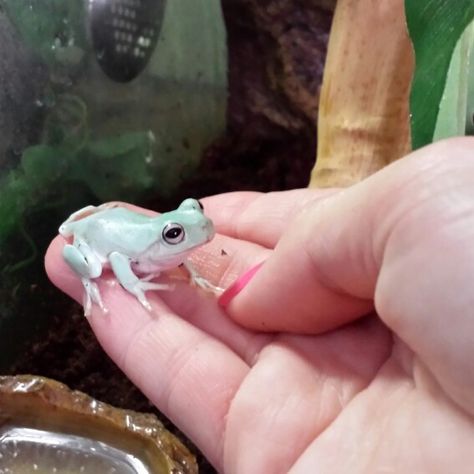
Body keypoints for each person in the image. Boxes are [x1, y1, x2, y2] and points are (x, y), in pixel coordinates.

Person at [46, 137, 474, 473]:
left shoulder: (170, 244)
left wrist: (184, 262)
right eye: (177, 233)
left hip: (129, 231)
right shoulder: (145, 247)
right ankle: (98, 283)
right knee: (97, 268)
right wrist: (133, 286)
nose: (198, 227)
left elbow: (180, 246)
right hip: (101, 241)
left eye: (193, 212)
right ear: (166, 237)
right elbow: (120, 257)